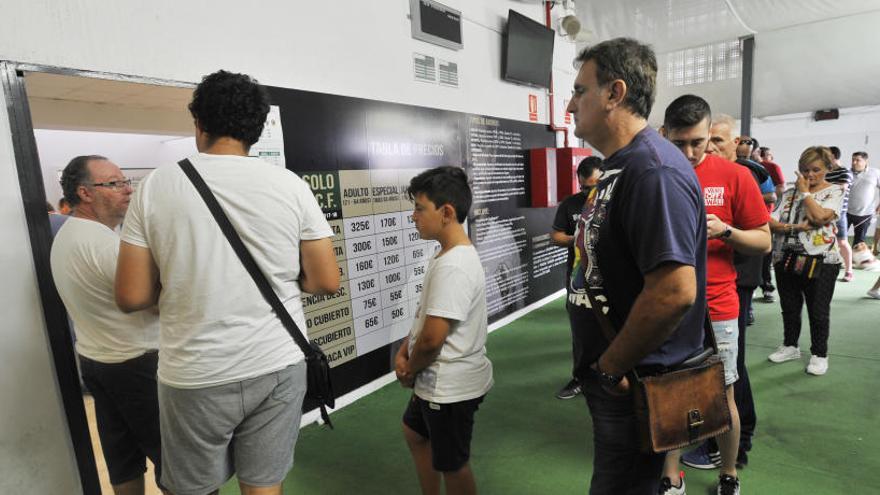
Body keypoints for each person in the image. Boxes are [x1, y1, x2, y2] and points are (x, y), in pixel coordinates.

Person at [115, 70, 340, 495]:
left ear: (199, 124)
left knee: (193, 489)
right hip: (278, 361)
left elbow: (130, 295)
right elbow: (327, 280)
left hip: (196, 373)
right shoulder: (289, 185)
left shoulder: (157, 186)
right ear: (256, 130)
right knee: (264, 485)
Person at [565, 38, 708, 494]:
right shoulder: (623, 165)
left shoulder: (653, 171)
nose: (570, 104)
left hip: (634, 381)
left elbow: (674, 292)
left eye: (579, 90)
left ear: (614, 93)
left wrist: (610, 366)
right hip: (621, 376)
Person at [659, 95, 769, 495]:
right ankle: (671, 475)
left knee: (723, 398)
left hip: (719, 305)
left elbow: (763, 240)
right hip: (669, 305)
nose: (689, 153)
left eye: (698, 142)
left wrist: (726, 231)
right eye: (679, 143)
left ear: (712, 136)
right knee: (671, 393)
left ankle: (729, 473)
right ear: (664, 134)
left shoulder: (736, 177)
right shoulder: (654, 175)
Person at [50, 155, 164, 495]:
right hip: (137, 364)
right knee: (176, 462)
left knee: (123, 460)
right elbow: (157, 299)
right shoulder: (103, 244)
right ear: (85, 193)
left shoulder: (71, 235)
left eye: (125, 182)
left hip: (99, 362)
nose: (127, 190)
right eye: (114, 183)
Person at [395, 166, 493, 495]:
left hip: (447, 387)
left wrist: (411, 367)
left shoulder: (454, 265)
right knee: (414, 431)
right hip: (435, 381)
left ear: (446, 212)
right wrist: (404, 350)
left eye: (420, 208)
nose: (414, 216)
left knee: (453, 464)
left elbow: (434, 338)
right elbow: (427, 320)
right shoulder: (447, 255)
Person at [767, 146, 844, 376]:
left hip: (822, 261)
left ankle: (820, 354)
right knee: (789, 307)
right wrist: (795, 227)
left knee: (818, 311)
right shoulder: (789, 193)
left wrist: (805, 194)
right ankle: (790, 346)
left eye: (816, 170)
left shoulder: (835, 191)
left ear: (828, 169)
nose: (809, 175)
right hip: (786, 257)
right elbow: (770, 221)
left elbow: (819, 217)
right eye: (804, 170)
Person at [550, 156, 602, 400]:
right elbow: (556, 236)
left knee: (611, 328)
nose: (588, 192)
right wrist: (578, 239)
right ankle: (581, 378)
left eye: (593, 187)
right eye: (583, 187)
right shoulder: (570, 204)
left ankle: (611, 376)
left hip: (609, 278)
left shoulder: (614, 202)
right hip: (578, 278)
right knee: (581, 331)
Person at [733, 134, 777, 304]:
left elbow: (771, 196)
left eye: (748, 142)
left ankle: (763, 291)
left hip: (752, 225)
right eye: (741, 141)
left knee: (755, 265)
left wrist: (746, 197)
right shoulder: (719, 164)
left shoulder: (758, 169)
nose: (744, 145)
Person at [825, 146, 854, 281]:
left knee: (842, 242)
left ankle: (849, 271)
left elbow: (842, 188)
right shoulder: (827, 172)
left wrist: (824, 190)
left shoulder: (845, 171)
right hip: (824, 212)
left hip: (839, 213)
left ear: (833, 156)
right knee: (823, 241)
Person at [846, 152, 880, 263]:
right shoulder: (847, 173)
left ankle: (853, 262)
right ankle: (841, 259)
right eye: (853, 159)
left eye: (857, 160)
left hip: (865, 214)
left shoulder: (875, 173)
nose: (854, 162)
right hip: (846, 212)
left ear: (866, 161)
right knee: (840, 238)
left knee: (859, 241)